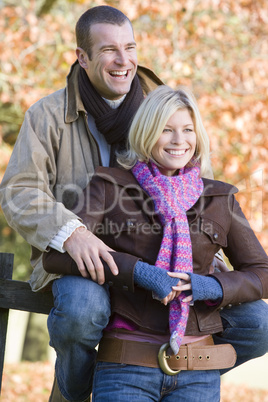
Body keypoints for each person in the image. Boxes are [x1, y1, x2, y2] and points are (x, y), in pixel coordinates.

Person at [0, 5, 267, 402]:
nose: (123, 60)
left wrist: (205, 271)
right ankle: (82, 389)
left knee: (257, 323)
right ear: (83, 57)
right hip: (85, 261)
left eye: (130, 47)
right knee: (80, 311)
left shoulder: (161, 108)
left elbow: (196, 184)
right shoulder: (48, 115)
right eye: (109, 50)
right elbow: (19, 191)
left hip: (169, 268)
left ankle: (175, 366)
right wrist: (71, 233)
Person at [43, 85, 268, 401]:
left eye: (187, 130)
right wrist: (138, 273)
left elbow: (262, 272)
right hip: (126, 364)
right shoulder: (109, 185)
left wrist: (211, 287)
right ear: (147, 133)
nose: (180, 140)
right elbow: (55, 257)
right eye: (167, 130)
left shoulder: (220, 197)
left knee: (262, 320)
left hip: (197, 370)